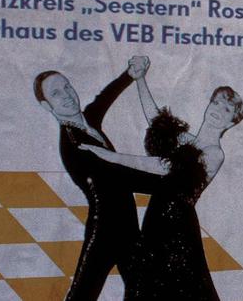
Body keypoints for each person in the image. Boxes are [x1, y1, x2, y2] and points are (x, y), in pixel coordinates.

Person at [80, 56, 243, 300]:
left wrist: (108, 156)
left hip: (178, 228)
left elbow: (160, 166)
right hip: (155, 221)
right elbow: (155, 118)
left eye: (227, 109)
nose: (218, 110)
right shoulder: (186, 141)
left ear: (232, 122)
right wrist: (140, 79)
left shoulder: (215, 154)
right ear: (208, 106)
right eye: (216, 103)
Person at [34, 62, 160, 300]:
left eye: (67, 86)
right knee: (83, 294)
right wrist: (168, 181)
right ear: (46, 106)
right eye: (56, 94)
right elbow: (122, 179)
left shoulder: (87, 121)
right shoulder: (73, 144)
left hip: (127, 228)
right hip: (106, 230)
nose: (67, 95)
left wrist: (129, 75)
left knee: (144, 290)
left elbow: (103, 99)